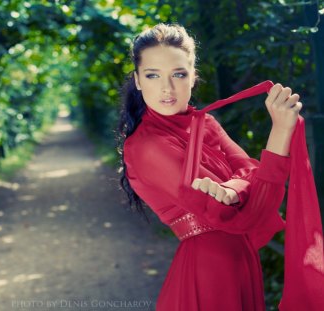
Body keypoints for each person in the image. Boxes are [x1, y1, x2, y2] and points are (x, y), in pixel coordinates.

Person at [118, 23, 324, 311]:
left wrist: (233, 188)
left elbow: (253, 176)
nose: (167, 88)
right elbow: (241, 215)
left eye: (179, 74)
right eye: (153, 75)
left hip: (241, 261)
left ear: (193, 77)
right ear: (138, 81)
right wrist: (280, 132)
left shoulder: (204, 123)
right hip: (208, 272)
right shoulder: (146, 146)